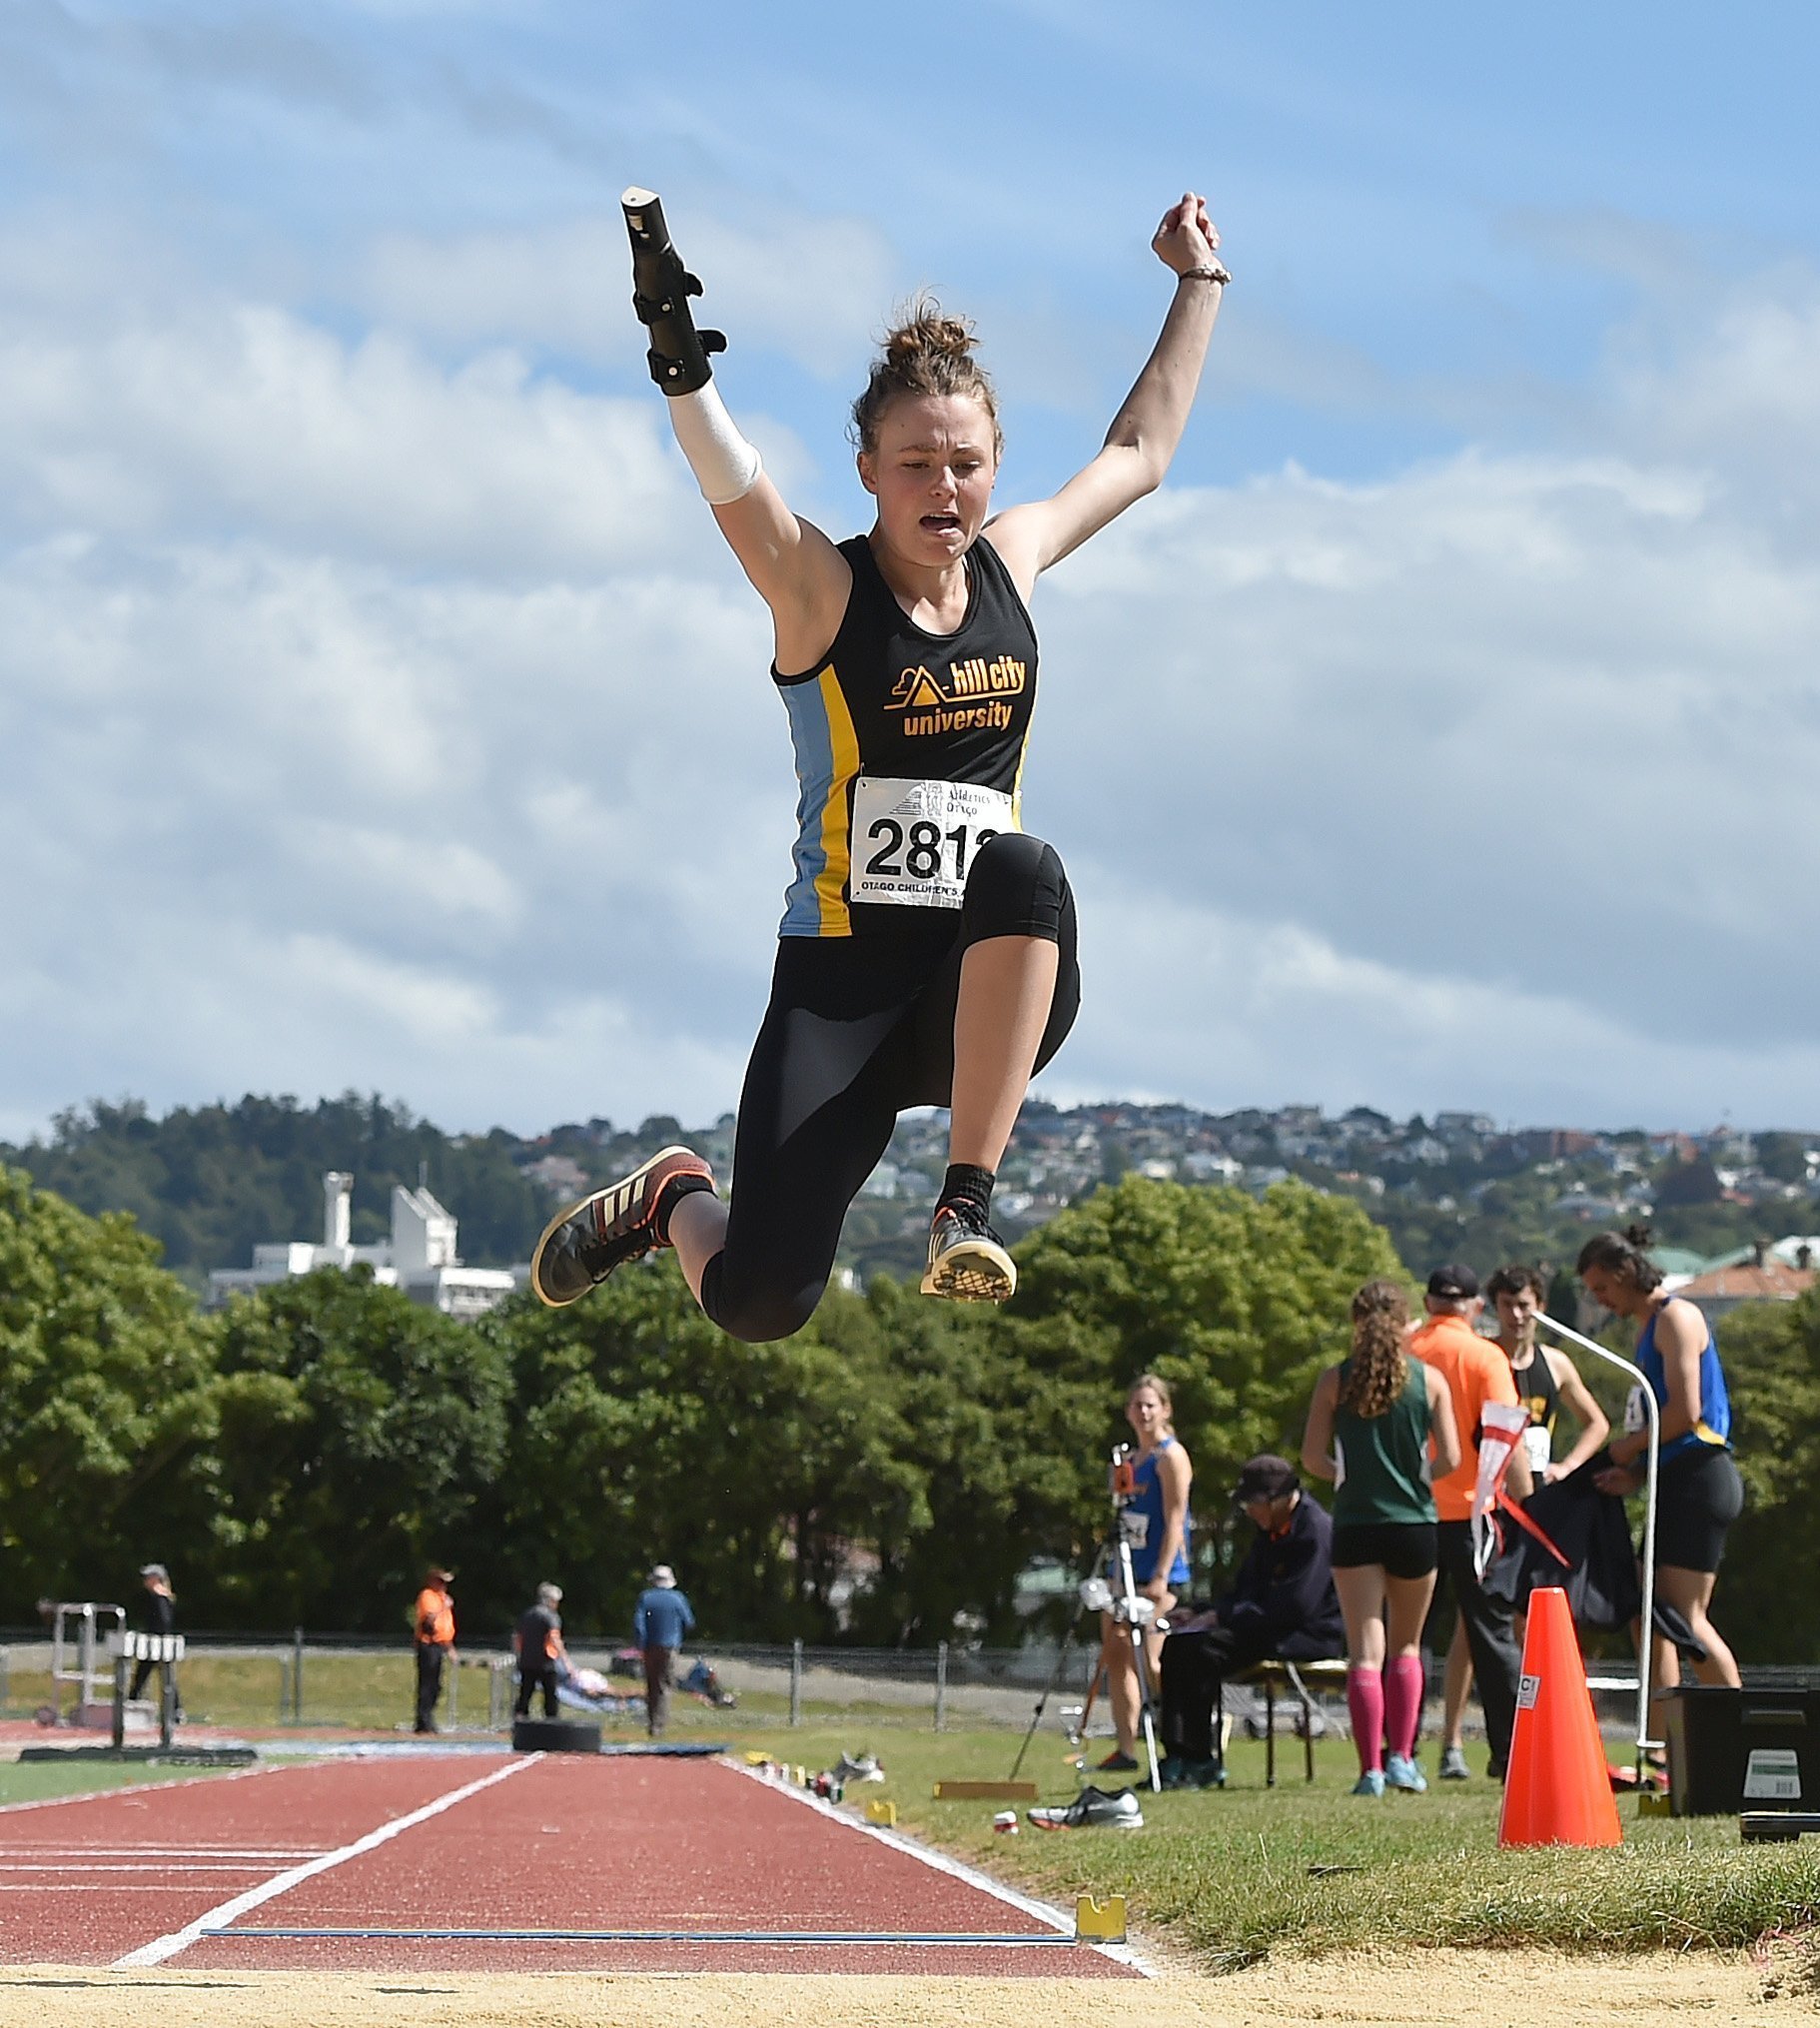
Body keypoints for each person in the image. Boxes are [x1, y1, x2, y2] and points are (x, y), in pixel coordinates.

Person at [529, 187, 1229, 1338]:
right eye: (914, 465)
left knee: (1024, 868)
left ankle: (964, 1205)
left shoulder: (1015, 559)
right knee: (760, 1301)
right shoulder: (822, 589)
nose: (942, 489)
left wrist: (1196, 284)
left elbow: (1140, 451)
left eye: (963, 463)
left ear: (995, 463)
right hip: (841, 986)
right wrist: (680, 367)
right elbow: (732, 485)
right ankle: (670, 1196)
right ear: (866, 469)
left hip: (984, 986)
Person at [1436, 1264, 1608, 1780]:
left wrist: (1568, 1466)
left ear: (1540, 1307)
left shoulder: (1554, 1364)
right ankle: (1450, 1743)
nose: (1517, 1315)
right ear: (1492, 1308)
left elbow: (1596, 1421)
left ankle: (1532, 1733)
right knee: (1474, 1624)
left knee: (1527, 1620)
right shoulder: (1484, 1359)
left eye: (1526, 1304)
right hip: (1487, 1504)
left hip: (1537, 1502)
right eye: (1507, 1305)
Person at [1578, 1226, 1744, 1751]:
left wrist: (1626, 1449)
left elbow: (1685, 1413)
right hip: (1675, 1479)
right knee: (1648, 1617)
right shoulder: (1647, 1328)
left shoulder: (1675, 1317)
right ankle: (1664, 1746)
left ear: (1624, 1275)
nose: (1599, 1300)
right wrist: (1635, 1472)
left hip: (1701, 1480)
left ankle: (1742, 1742)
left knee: (1685, 1619)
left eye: (1601, 1287)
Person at [1302, 1279, 1460, 1796]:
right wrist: (1417, 1475)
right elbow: (1452, 1459)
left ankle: (1369, 1769)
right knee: (1407, 1646)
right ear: (1404, 1322)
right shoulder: (1428, 1380)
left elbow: (1311, 1459)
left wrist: (1345, 1474)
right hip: (1414, 1523)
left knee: (1364, 1651)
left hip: (1356, 1524)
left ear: (1356, 1323)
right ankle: (1403, 1759)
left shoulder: (1335, 1380)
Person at [1409, 1263, 1533, 1780]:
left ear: (1428, 1301)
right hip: (1472, 1514)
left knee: (1405, 1637)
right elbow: (1507, 1438)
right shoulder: (1485, 1356)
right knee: (1490, 1635)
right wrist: (1527, 1505)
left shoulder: (1405, 1351)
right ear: (1474, 1306)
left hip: (1411, 1510)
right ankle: (1509, 1752)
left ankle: (1396, 1751)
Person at [1156, 1455, 1344, 1789]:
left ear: (1279, 1500)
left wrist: (1225, 1617)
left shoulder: (1314, 1531)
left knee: (1203, 1650)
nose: (1250, 1512)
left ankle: (1199, 1759)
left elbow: (1296, 1606)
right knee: (1179, 1644)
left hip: (1306, 1633)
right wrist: (1202, 1611)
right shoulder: (1269, 1532)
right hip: (1266, 1625)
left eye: (1253, 1504)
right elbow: (1246, 1589)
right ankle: (1178, 1755)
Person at [1096, 1374, 1192, 1773]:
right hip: (1125, 1573)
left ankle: (1185, 1736)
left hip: (1160, 1577)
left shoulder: (1171, 1457)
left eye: (1151, 1404)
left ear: (1165, 1409)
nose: (1144, 1412)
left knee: (1152, 1660)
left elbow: (1175, 1518)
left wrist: (1161, 1576)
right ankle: (1126, 1747)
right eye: (1137, 1405)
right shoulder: (1129, 1461)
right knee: (1116, 1655)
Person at [633, 1563, 696, 1738]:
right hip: (670, 1646)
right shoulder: (678, 1599)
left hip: (650, 1646)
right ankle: (659, 1725)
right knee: (666, 1685)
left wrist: (641, 1645)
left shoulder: (646, 1598)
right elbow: (689, 1622)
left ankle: (652, 1720)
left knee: (652, 1684)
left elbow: (639, 1624)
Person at [128, 1563, 181, 1718]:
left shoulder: (159, 1597)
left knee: (144, 1676)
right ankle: (176, 1709)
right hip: (157, 1643)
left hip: (156, 1644)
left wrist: (155, 1636)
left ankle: (132, 1702)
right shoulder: (161, 1597)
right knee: (164, 1677)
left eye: (148, 1577)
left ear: (156, 1578)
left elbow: (162, 1621)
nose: (145, 1580)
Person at [412, 1566, 456, 1735]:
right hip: (428, 1644)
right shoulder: (428, 1596)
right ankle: (424, 1720)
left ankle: (428, 1716)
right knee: (427, 1684)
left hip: (440, 1645)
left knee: (436, 1685)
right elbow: (429, 1622)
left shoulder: (442, 1598)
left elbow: (445, 1627)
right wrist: (443, 1607)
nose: (444, 1586)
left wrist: (450, 1647)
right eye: (441, 1582)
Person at [513, 1581, 568, 1721]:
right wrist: (566, 1661)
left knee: (525, 1693)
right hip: (546, 1661)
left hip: (527, 1661)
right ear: (550, 1601)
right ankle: (552, 1722)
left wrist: (519, 1655)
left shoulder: (527, 1614)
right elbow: (554, 1638)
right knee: (550, 1694)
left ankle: (519, 1721)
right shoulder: (551, 1616)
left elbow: (517, 1637)